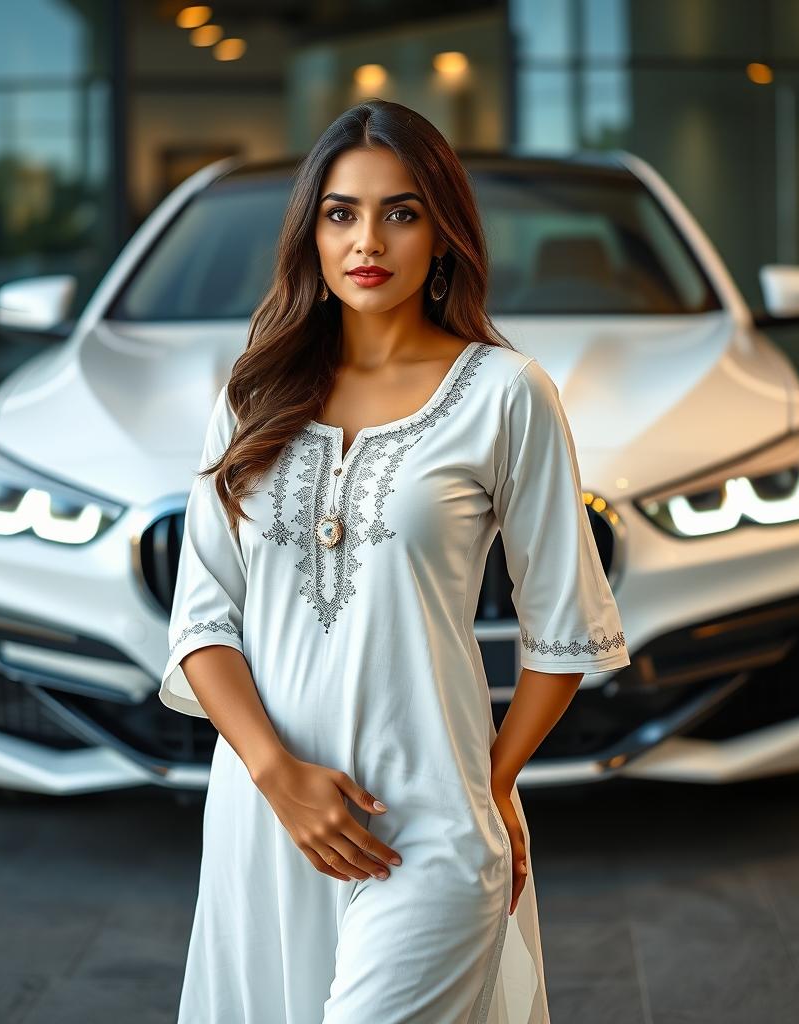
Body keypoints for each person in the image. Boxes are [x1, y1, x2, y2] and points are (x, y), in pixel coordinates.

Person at [160, 99, 630, 1023]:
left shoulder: (505, 395)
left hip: (432, 828)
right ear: (311, 235)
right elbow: (202, 621)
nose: (367, 238)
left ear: (443, 234)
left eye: (402, 212)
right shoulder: (253, 392)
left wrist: (489, 792)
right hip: (264, 821)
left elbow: (566, 628)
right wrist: (277, 775)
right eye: (341, 212)